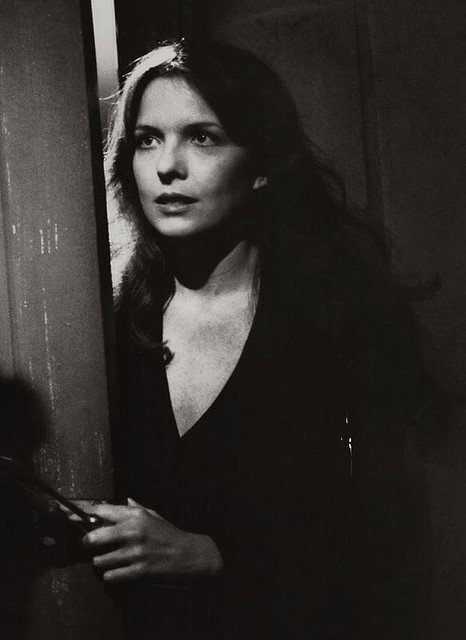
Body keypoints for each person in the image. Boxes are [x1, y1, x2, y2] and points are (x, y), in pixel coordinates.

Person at [78, 39, 441, 639]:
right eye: (147, 139)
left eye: (203, 137)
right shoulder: (106, 327)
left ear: (263, 164)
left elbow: (384, 534)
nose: (168, 166)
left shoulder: (339, 316)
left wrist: (211, 555)